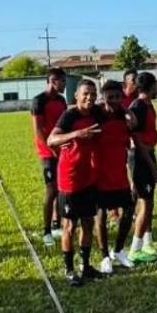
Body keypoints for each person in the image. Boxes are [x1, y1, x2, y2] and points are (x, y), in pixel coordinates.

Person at [47, 79, 104, 286]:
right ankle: (69, 269)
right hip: (69, 179)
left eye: (92, 94)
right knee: (69, 225)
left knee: (88, 222)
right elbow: (51, 140)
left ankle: (86, 266)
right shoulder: (70, 115)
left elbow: (114, 110)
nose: (89, 97)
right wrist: (77, 134)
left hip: (89, 177)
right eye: (85, 94)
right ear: (76, 96)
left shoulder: (97, 112)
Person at [92, 80, 136, 274]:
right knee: (100, 215)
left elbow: (134, 123)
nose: (114, 100)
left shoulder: (123, 116)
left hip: (119, 173)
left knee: (128, 210)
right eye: (110, 97)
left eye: (118, 96)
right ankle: (104, 257)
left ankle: (118, 250)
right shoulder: (97, 115)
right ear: (103, 97)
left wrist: (125, 109)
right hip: (99, 174)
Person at [127, 71, 157, 263]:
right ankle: (135, 249)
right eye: (156, 85)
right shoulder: (138, 107)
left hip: (148, 155)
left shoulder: (148, 105)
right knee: (145, 203)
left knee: (148, 203)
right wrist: (153, 167)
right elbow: (136, 139)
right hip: (141, 159)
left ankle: (147, 243)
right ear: (151, 87)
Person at [31, 68, 68, 247]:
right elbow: (38, 130)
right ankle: (46, 231)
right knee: (51, 190)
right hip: (48, 153)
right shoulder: (39, 101)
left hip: (63, 150)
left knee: (62, 189)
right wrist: (51, 149)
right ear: (53, 80)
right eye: (63, 81)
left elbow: (64, 124)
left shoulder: (61, 100)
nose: (65, 85)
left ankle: (57, 224)